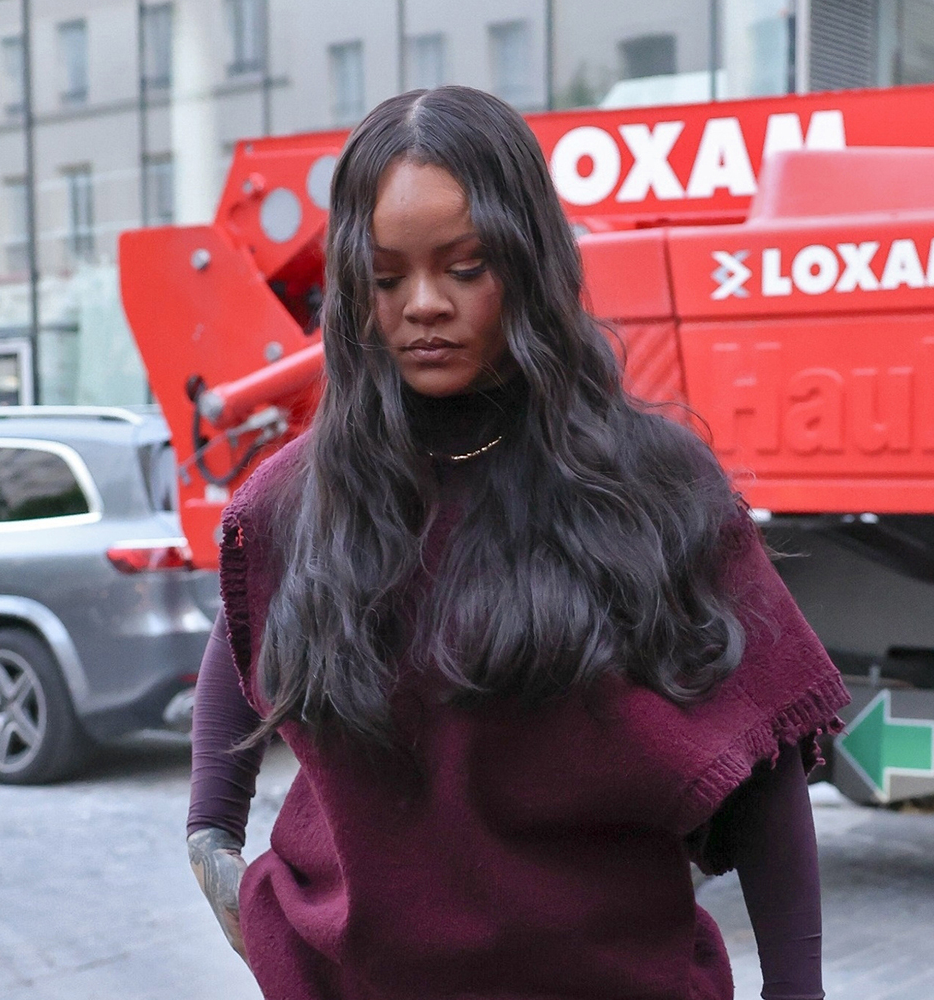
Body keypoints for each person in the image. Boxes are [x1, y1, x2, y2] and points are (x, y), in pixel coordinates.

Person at [186, 85, 850, 1000]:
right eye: (386, 276)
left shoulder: (652, 488)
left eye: (465, 267)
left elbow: (767, 762)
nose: (423, 304)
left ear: (529, 262)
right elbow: (239, 621)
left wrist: (797, 989)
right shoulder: (301, 495)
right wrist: (210, 836)